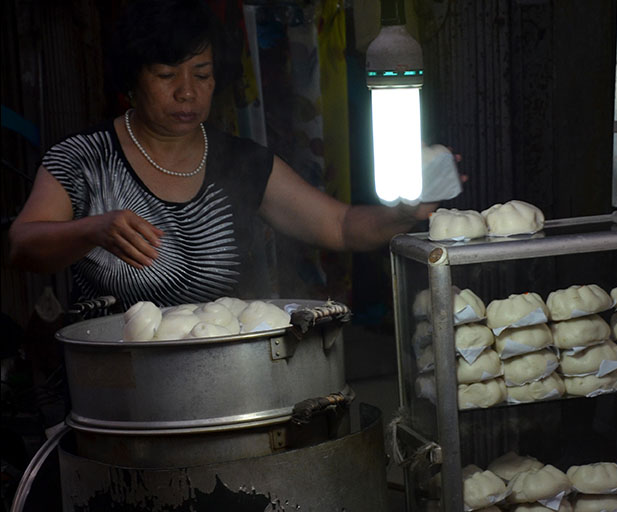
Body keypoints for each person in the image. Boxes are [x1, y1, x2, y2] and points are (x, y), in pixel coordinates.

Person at [8, 0, 455, 309]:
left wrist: (402, 215)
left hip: (215, 388)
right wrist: (93, 229)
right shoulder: (84, 159)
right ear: (132, 79)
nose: (187, 92)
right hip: (110, 394)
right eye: (167, 75)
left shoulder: (238, 163)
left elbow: (338, 226)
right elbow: (21, 244)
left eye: (202, 75)